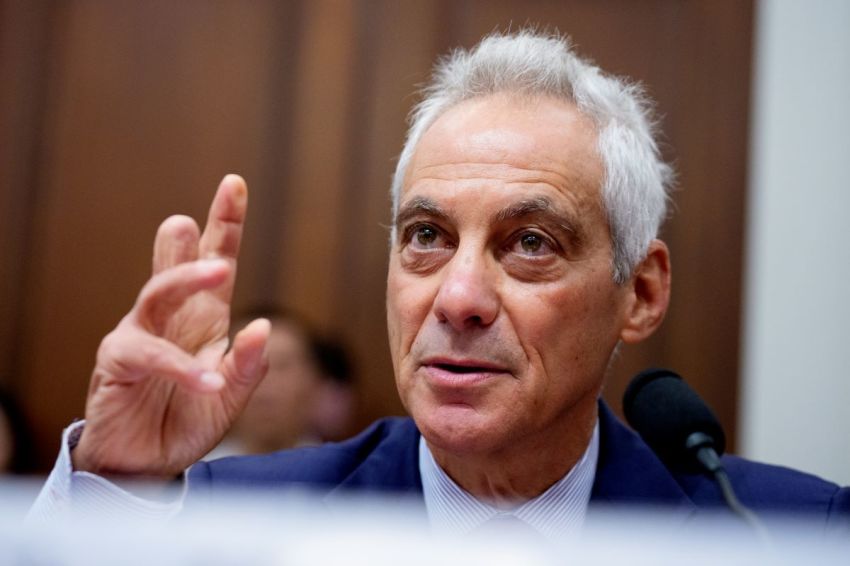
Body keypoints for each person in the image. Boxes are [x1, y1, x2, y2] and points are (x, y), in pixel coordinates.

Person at [31, 30, 848, 537]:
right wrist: (113, 493)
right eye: (427, 237)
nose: (457, 299)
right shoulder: (230, 522)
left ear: (638, 293)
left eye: (530, 243)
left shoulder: (785, 536)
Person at [208, 307, 355, 457]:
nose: (265, 383)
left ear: (314, 380)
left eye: (282, 365)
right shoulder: (193, 475)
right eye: (249, 367)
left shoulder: (340, 474)